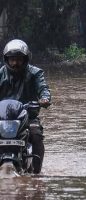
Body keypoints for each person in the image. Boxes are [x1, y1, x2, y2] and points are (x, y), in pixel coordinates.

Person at [0, 39, 51, 173]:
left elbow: (43, 88)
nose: (15, 63)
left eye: (19, 59)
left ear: (25, 59)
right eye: (12, 59)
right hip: (3, 117)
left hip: (28, 116)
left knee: (36, 135)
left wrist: (44, 98)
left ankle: (37, 172)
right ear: (7, 59)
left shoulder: (35, 73)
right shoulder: (1, 73)